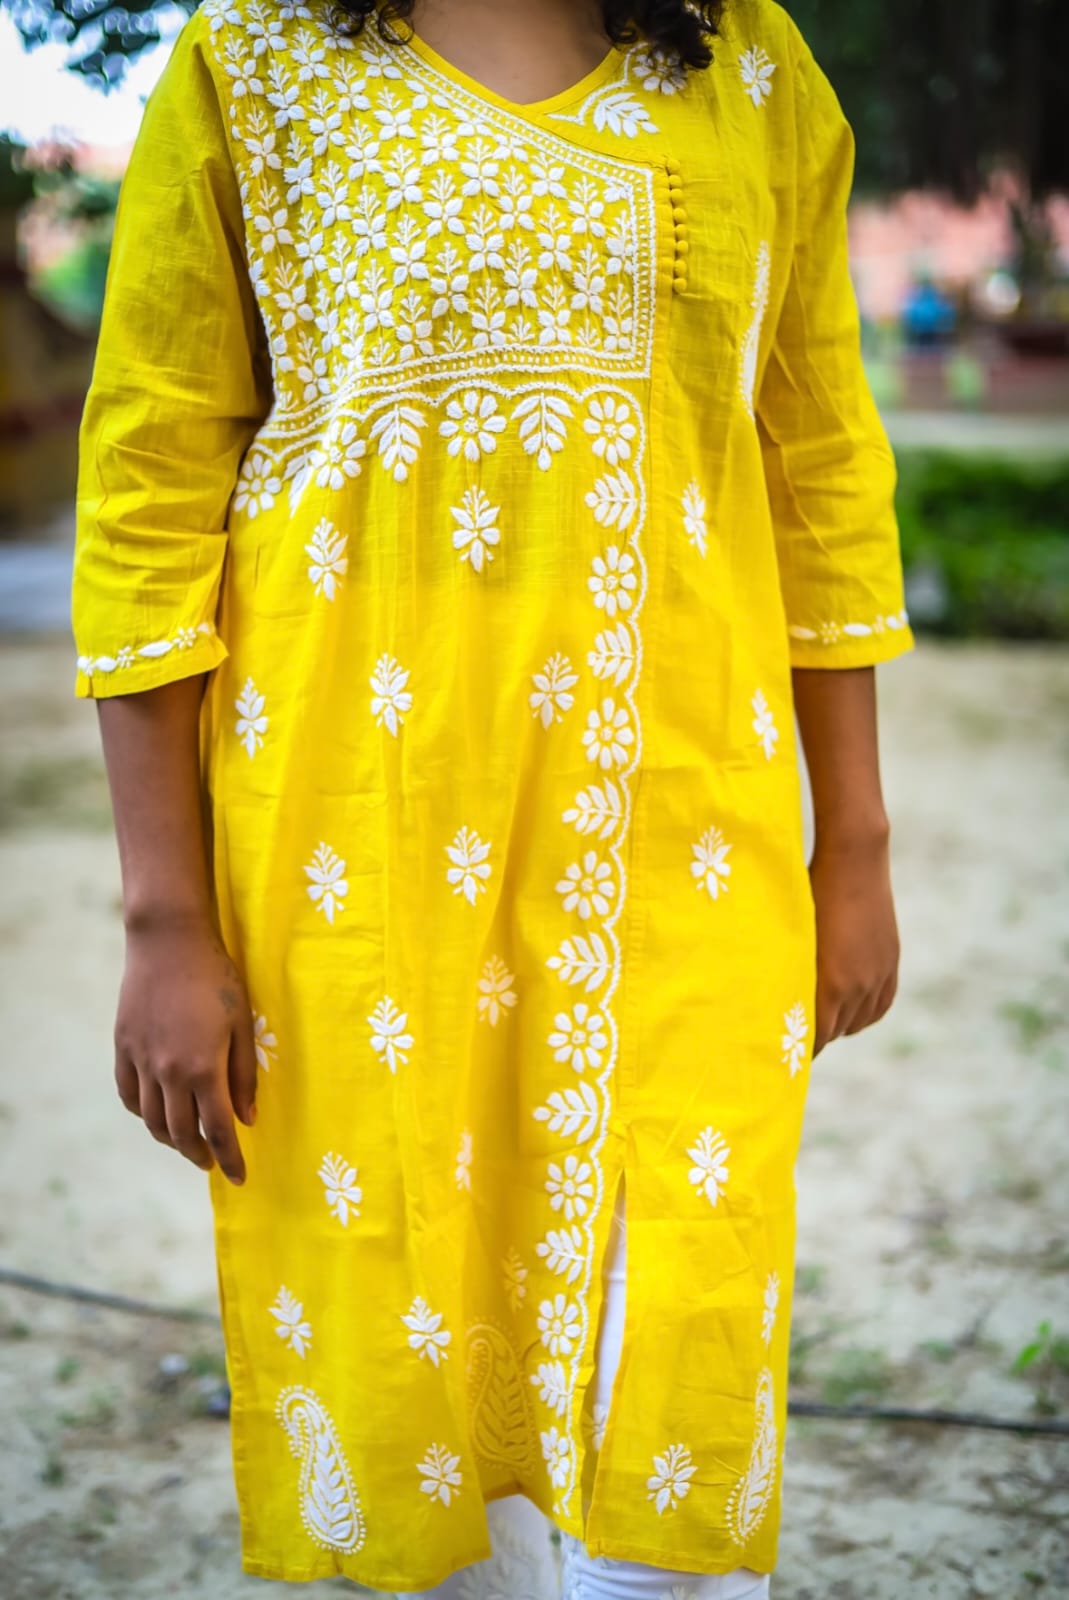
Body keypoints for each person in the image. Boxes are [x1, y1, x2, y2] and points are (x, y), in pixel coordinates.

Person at [70, 0, 914, 1593]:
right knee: (404, 1291)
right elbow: (149, 487)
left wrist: (854, 844)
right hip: (356, 843)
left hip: (684, 826)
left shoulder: (747, 65)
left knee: (671, 1290)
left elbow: (819, 464)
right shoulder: (248, 63)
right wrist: (165, 917)